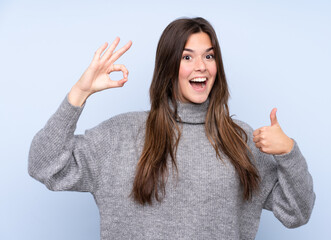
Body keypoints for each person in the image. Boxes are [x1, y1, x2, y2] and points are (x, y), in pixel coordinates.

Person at [28, 17, 315, 239]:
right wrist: (79, 93)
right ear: (168, 66)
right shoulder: (120, 135)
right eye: (187, 57)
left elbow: (297, 213)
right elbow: (44, 165)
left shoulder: (240, 140)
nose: (201, 66)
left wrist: (289, 152)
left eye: (209, 56)